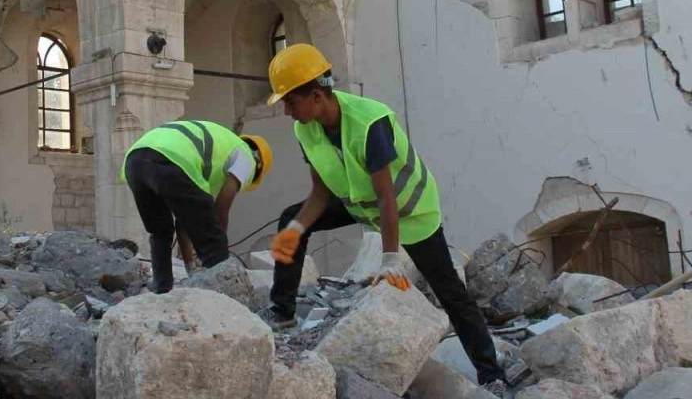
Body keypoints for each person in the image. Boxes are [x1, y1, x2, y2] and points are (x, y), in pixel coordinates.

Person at [261, 44, 509, 396]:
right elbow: (319, 192)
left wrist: (390, 259)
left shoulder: (370, 123)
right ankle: (282, 311)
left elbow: (386, 196)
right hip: (358, 203)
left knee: (450, 291)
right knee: (290, 218)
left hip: (410, 212)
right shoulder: (307, 129)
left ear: (316, 96)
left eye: (290, 101)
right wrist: (297, 229)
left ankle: (491, 373)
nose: (287, 111)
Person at [121, 120, 272, 293]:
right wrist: (217, 246)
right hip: (171, 158)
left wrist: (190, 266)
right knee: (214, 243)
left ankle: (162, 291)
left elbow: (185, 220)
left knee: (160, 232)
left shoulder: (220, 150)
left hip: (134, 162)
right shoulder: (247, 156)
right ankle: (223, 300)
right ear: (258, 164)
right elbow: (223, 205)